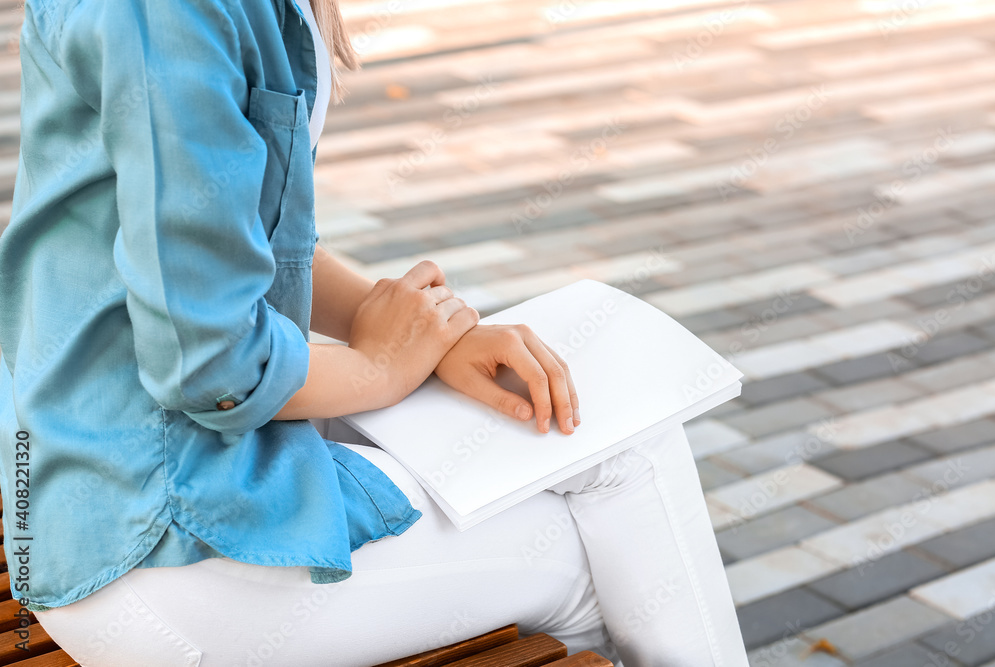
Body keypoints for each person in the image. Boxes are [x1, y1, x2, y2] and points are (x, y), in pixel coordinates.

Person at [0, 0, 750, 665]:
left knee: (618, 463)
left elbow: (223, 231)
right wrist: (380, 365)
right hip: (159, 541)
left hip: (120, 488)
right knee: (619, 544)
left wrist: (413, 330)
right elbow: (210, 369)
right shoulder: (167, 12)